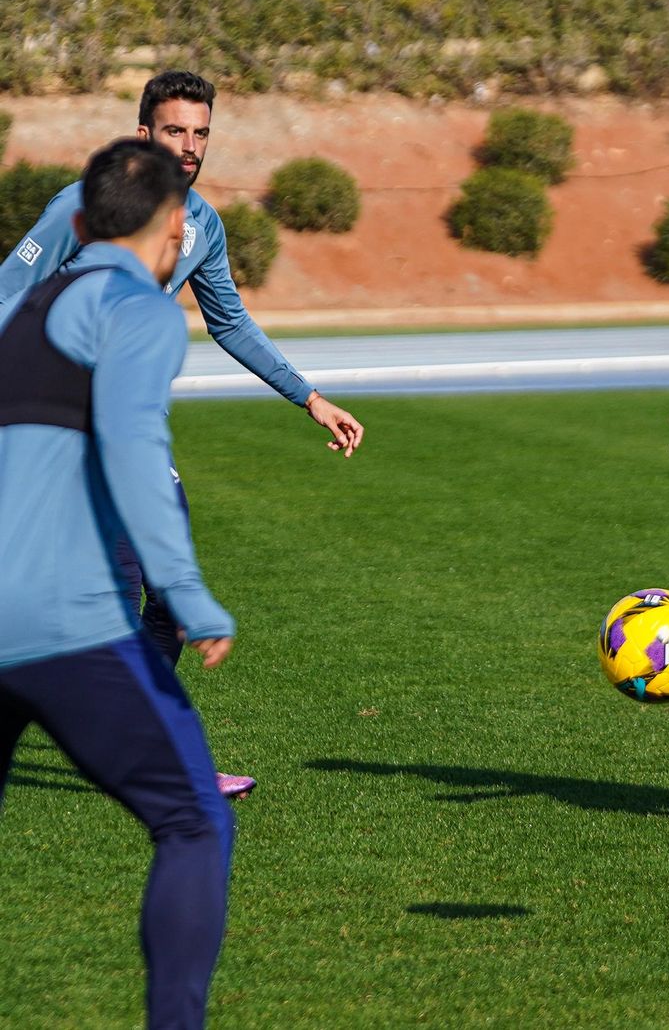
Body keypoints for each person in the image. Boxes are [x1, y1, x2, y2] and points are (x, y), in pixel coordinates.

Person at [0, 70, 365, 799]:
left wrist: (310, 398)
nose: (190, 146)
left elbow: (228, 321)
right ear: (144, 135)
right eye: (175, 130)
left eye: (200, 132)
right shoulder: (78, 208)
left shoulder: (200, 224)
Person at [0, 138, 236, 1029]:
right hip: (61, 622)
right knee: (194, 825)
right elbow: (139, 453)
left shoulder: (22, 308)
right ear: (177, 230)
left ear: (72, 224)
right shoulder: (139, 309)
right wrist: (188, 594)